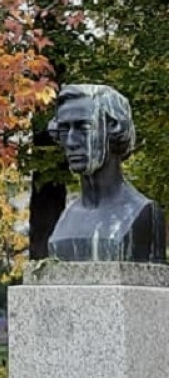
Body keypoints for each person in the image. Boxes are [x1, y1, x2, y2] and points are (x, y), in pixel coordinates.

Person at [47, 83, 166, 262]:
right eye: (64, 130)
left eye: (84, 128)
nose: (71, 142)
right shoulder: (67, 218)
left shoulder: (142, 213)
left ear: (114, 130)